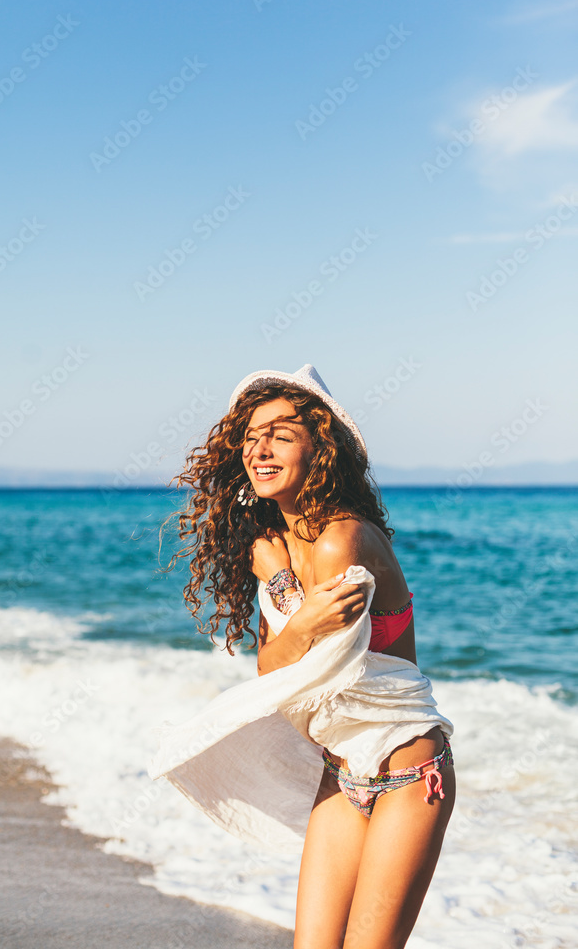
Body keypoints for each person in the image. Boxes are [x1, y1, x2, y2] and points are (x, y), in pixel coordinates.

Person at [149, 363, 455, 949]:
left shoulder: (345, 538)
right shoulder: (274, 549)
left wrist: (286, 591)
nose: (259, 449)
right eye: (251, 437)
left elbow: (316, 668)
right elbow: (272, 671)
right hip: (341, 775)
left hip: (409, 774)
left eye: (281, 435)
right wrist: (284, 582)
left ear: (323, 451)